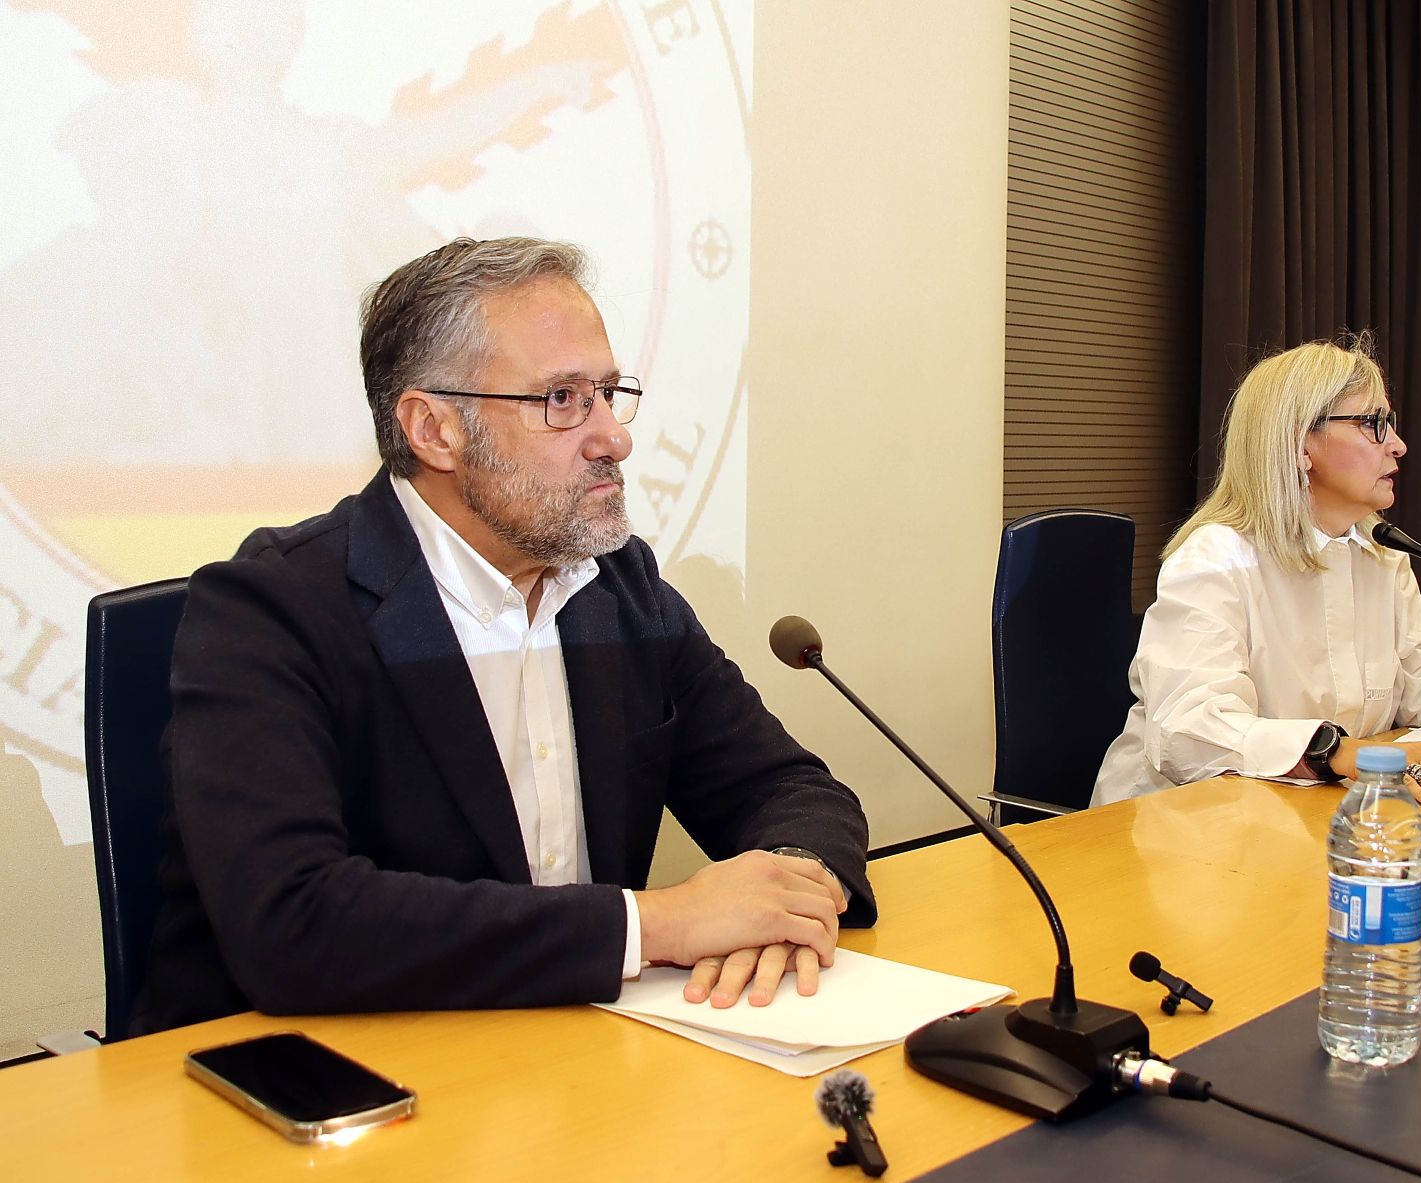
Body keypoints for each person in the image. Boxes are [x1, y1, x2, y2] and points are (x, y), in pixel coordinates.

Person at [131, 237, 875, 1036]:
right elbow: (293, 921)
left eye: (608, 393)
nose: (612, 438)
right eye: (561, 399)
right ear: (434, 429)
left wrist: (788, 889)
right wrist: (656, 926)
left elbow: (791, 790)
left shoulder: (619, 589)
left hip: (563, 1058)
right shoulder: (270, 610)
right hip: (301, 1083)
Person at [1092, 336, 1421, 809]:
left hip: (1303, 815)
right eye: (1374, 424)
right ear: (1302, 444)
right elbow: (1190, 728)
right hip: (1172, 830)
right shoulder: (1216, 557)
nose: (1399, 446)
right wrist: (1337, 752)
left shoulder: (1377, 549)